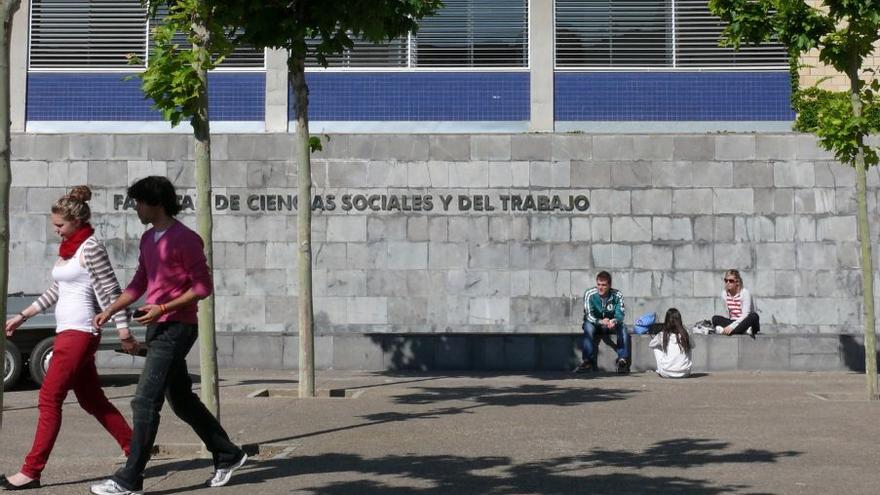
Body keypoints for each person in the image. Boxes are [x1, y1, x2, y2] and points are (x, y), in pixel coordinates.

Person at [89, 177, 246, 495]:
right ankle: (228, 454)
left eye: (139, 203)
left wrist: (162, 307)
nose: (135, 209)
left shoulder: (185, 239)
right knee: (183, 401)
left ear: (155, 203)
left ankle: (129, 479)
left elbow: (203, 288)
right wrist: (110, 309)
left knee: (145, 401)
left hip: (177, 327)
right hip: (158, 325)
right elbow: (139, 282)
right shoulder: (148, 239)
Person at [2, 186, 133, 490]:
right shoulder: (70, 251)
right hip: (68, 333)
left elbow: (113, 293)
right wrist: (23, 316)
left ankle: (31, 471)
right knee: (93, 401)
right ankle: (135, 448)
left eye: (59, 226)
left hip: (80, 333)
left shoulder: (90, 248)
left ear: (76, 221)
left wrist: (124, 330)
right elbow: (57, 290)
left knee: (49, 398)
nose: (56, 232)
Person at [574, 271, 631, 374]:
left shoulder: (617, 295)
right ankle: (588, 362)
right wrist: (600, 321)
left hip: (611, 323)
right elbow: (588, 315)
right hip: (595, 323)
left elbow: (620, 314)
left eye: (604, 285)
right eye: (599, 284)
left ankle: (622, 361)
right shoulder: (590, 294)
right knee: (588, 327)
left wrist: (614, 320)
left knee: (623, 327)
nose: (600, 288)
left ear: (609, 285)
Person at [712, 269, 760, 338]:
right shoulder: (724, 294)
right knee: (715, 318)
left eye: (731, 281)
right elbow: (729, 315)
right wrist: (731, 325)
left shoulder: (744, 293)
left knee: (754, 316)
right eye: (726, 280)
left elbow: (745, 315)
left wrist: (731, 327)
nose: (728, 283)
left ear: (737, 282)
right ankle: (744, 331)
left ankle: (722, 331)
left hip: (746, 322)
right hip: (733, 321)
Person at [649, 308, 694, 378]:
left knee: (656, 348)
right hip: (685, 373)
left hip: (666, 373)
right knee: (689, 346)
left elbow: (651, 344)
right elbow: (693, 346)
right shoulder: (686, 333)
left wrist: (663, 345)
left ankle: (662, 368)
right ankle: (682, 367)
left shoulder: (662, 334)